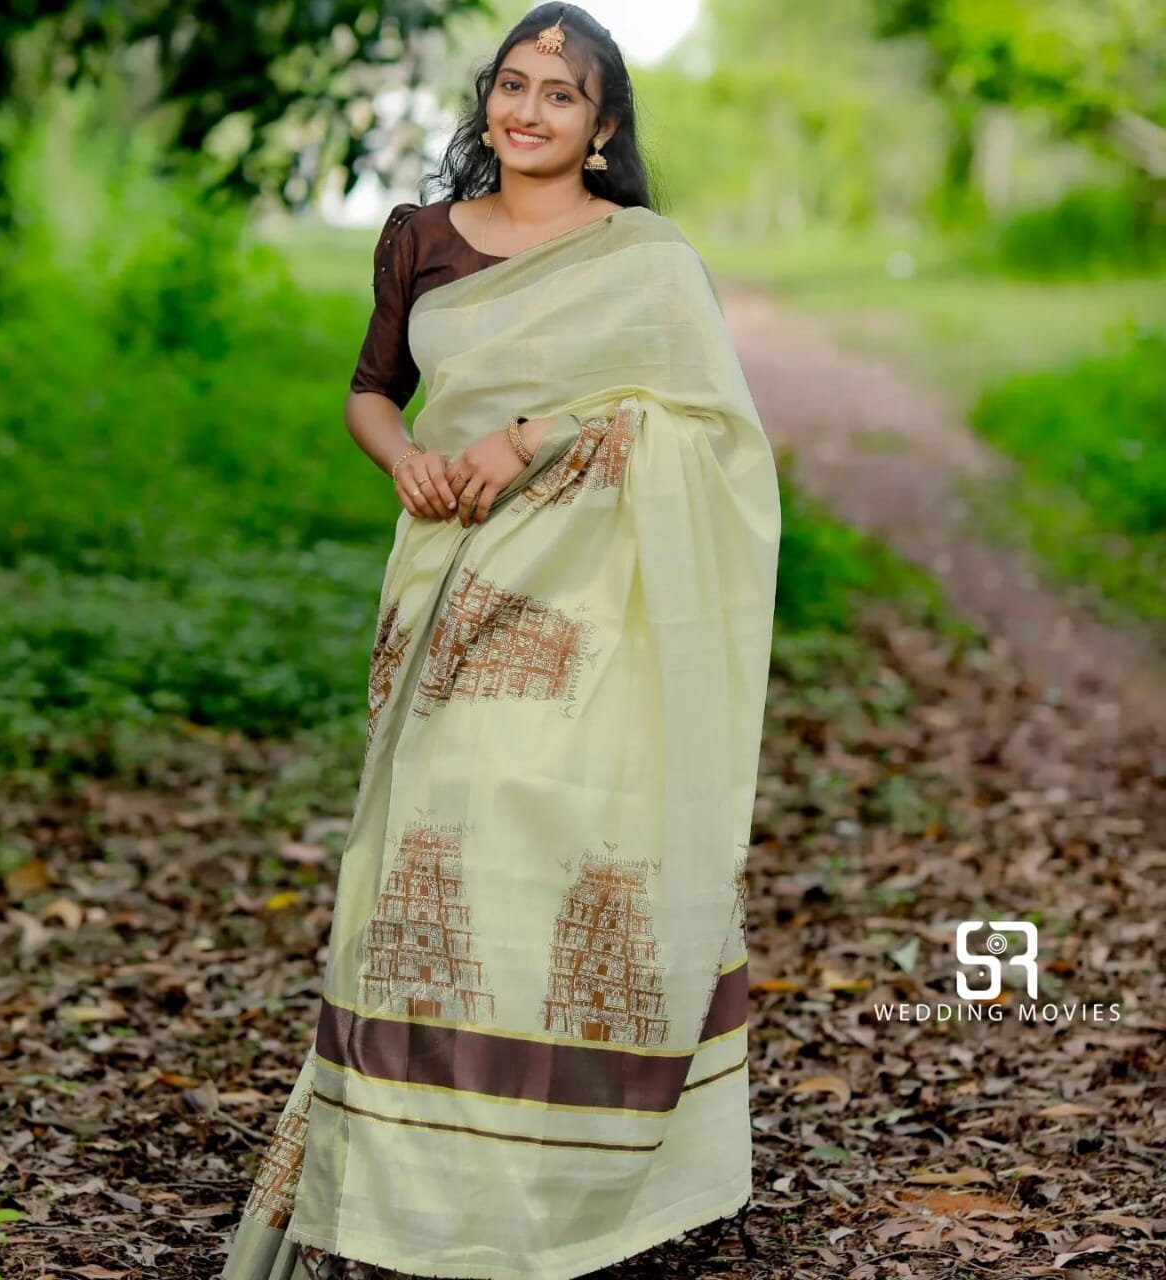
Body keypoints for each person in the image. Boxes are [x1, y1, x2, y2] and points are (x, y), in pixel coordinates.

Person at [221, 4, 780, 1278]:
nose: (528, 110)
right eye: (512, 84)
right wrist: (405, 458)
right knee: (431, 843)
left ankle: (550, 1181)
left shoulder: (645, 260)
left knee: (553, 831)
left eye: (559, 94)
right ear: (487, 100)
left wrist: (532, 436)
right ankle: (413, 1180)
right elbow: (371, 390)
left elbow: (709, 431)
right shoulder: (419, 237)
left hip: (595, 592)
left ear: (603, 126)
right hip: (447, 578)